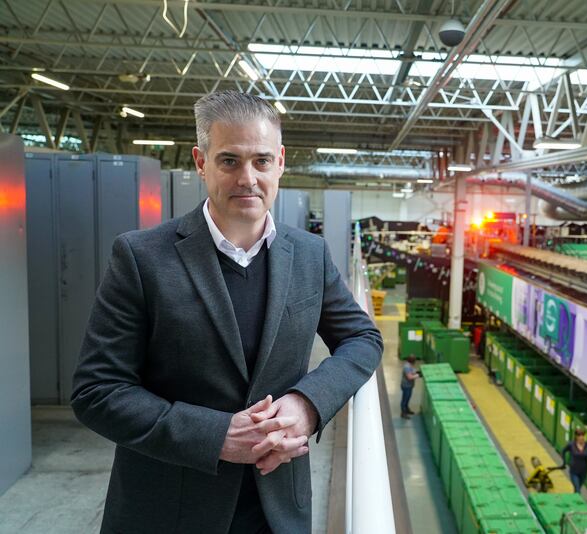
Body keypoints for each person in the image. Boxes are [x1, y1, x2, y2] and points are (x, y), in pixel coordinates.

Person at [71, 91, 383, 534]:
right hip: (170, 510)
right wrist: (215, 436)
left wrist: (308, 404)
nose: (248, 178)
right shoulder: (142, 257)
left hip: (276, 510)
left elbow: (362, 338)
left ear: (280, 161)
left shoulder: (309, 255)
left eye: (260, 161)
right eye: (229, 161)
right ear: (201, 162)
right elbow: (97, 391)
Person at [560, 427, 587, 493]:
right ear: (576, 436)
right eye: (579, 435)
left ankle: (574, 499)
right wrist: (564, 462)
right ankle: (577, 499)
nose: (581, 437)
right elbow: (563, 451)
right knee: (577, 489)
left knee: (578, 489)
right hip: (574, 471)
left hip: (583, 472)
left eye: (582, 435)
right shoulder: (571, 444)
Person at [401, 355, 420, 419]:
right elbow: (409, 377)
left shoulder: (410, 365)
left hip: (409, 386)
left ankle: (407, 410)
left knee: (408, 398)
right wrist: (418, 375)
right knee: (405, 399)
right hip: (406, 386)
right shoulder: (407, 367)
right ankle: (403, 413)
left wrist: (416, 372)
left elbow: (412, 371)